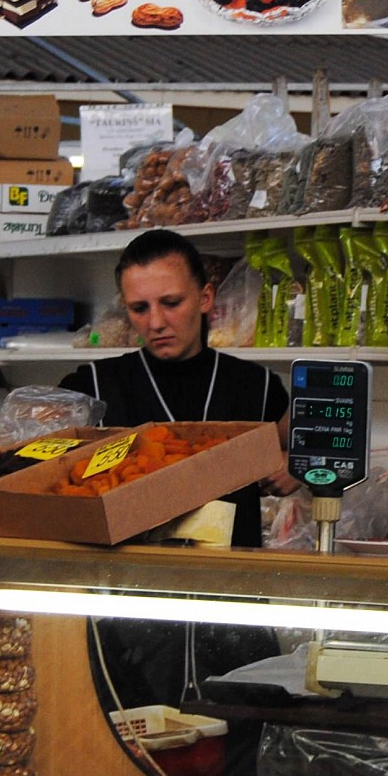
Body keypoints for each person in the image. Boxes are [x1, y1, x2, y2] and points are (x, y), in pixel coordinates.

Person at [59, 228, 296, 548]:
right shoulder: (92, 386)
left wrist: (298, 466)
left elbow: (319, 449)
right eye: (139, 308)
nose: (156, 322)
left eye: (171, 303)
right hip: (125, 587)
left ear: (205, 298)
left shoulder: (256, 385)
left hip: (228, 586)